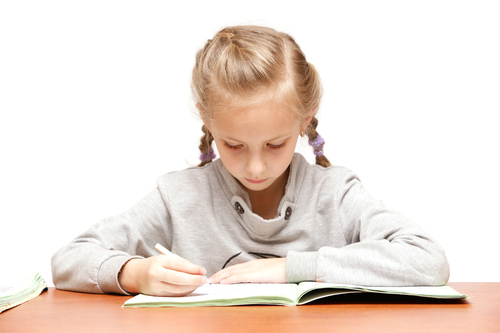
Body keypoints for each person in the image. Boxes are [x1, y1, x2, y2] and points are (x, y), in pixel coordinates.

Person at [51, 25, 449, 297]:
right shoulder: (180, 197)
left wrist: (290, 269)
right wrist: (135, 273)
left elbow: (428, 262)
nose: (256, 167)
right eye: (234, 145)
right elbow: (69, 259)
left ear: (305, 120)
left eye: (276, 144)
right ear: (208, 122)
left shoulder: (335, 193)